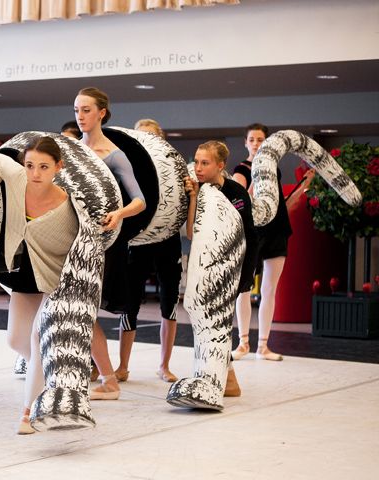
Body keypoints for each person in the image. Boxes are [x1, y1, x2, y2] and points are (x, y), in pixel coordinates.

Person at [0, 136, 79, 435]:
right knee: (15, 340)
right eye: (30, 165)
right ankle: (53, 373)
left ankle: (30, 412)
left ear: (58, 167)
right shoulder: (18, 179)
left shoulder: (68, 206)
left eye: (44, 167)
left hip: (57, 279)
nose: (35, 173)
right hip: (25, 274)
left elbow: (81, 245)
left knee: (37, 338)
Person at [74, 87, 146, 400]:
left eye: (86, 109)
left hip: (102, 243)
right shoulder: (71, 150)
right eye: (77, 109)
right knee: (76, 312)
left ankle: (107, 378)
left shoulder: (115, 155)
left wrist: (119, 213)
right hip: (71, 240)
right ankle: (94, 375)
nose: (80, 116)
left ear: (102, 112)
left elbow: (140, 201)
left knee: (84, 312)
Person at [184, 140, 256, 396]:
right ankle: (229, 379)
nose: (199, 168)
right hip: (205, 266)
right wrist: (193, 197)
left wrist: (246, 274)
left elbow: (248, 235)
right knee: (209, 322)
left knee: (219, 323)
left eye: (205, 163)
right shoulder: (197, 190)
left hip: (232, 268)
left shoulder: (237, 192)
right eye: (196, 162)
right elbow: (192, 232)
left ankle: (222, 378)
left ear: (221, 165)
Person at [117, 118, 182, 384]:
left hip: (167, 240)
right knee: (129, 303)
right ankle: (122, 366)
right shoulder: (127, 168)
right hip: (138, 242)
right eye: (140, 137)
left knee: (169, 302)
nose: (144, 141)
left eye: (151, 137)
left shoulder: (174, 171)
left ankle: (164, 365)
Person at [231, 124, 289, 361]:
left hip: (276, 230)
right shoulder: (241, 168)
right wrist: (255, 176)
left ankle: (263, 345)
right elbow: (239, 199)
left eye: (261, 140)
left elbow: (280, 201)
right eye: (252, 139)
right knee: (244, 287)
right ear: (246, 142)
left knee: (269, 289)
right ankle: (243, 342)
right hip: (252, 231)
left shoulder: (274, 168)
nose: (256, 143)